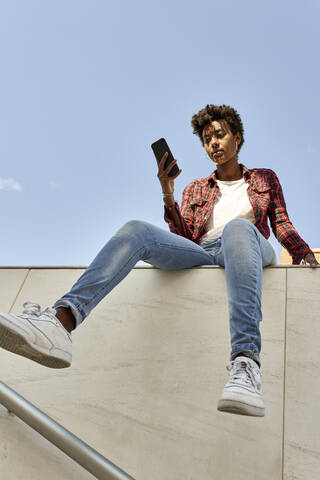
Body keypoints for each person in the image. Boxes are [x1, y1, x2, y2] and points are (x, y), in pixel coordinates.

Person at [0, 104, 318, 418]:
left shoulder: (264, 178)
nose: (214, 144)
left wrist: (303, 252)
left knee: (238, 227)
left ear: (236, 136)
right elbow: (183, 235)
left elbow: (281, 222)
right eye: (207, 140)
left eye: (220, 135)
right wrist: (168, 192)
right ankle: (59, 323)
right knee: (136, 229)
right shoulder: (196, 188)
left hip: (249, 245)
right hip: (204, 251)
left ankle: (246, 363)